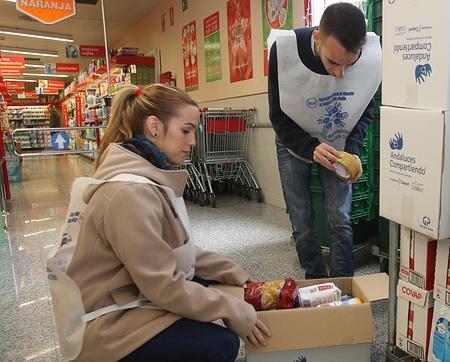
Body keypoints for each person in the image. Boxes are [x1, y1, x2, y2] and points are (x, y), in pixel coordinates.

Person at [49, 84, 270, 361]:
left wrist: (234, 274)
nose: (193, 142)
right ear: (154, 126)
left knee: (205, 290)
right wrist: (231, 309)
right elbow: (163, 286)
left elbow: (177, 249)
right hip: (108, 326)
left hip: (127, 298)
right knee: (219, 344)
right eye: (186, 130)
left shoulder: (144, 175)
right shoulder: (129, 193)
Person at [267, 3, 382, 279]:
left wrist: (353, 150)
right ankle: (315, 282)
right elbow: (278, 115)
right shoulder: (284, 52)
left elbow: (366, 109)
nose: (339, 74)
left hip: (338, 140)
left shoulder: (368, 58)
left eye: (349, 64)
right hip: (293, 141)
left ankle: (343, 284)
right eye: (333, 62)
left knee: (340, 219)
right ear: (317, 37)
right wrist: (310, 148)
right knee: (302, 221)